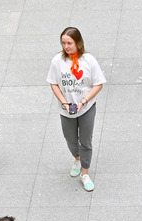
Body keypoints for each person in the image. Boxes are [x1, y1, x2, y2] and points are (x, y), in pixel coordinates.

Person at [47, 27, 105, 192]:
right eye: (64, 43)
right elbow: (53, 83)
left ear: (78, 43)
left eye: (69, 43)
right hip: (66, 109)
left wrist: (85, 101)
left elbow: (98, 83)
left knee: (85, 141)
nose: (66, 47)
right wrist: (64, 101)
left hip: (86, 108)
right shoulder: (57, 61)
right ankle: (77, 158)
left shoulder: (89, 60)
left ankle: (85, 173)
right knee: (70, 139)